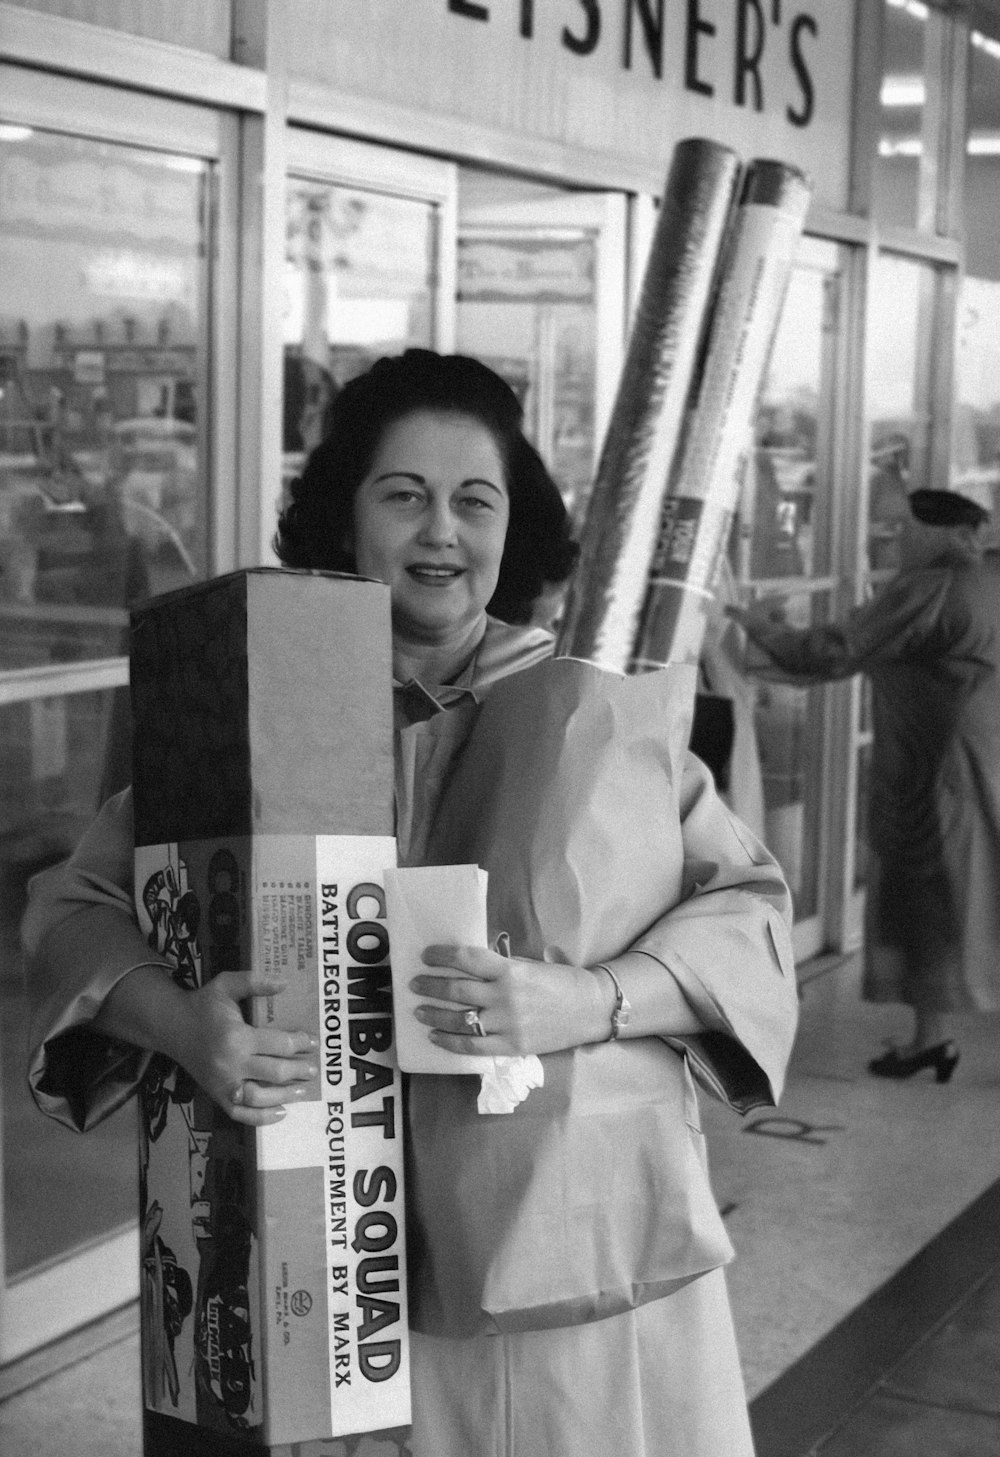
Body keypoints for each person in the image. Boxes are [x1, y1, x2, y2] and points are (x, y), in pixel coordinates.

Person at [24, 349, 798, 1457]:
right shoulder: (252, 709)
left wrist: (585, 999)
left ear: (509, 530)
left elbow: (749, 918)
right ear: (346, 518)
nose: (442, 529)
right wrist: (183, 1023)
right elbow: (74, 910)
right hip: (336, 1263)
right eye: (405, 494)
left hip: (566, 1262)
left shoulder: (589, 721)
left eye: (473, 501)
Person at [730, 482, 1000, 1084]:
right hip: (983, 762)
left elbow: (834, 652)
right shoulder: (987, 579)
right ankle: (930, 1040)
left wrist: (758, 626)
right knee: (964, 904)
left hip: (938, 779)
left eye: (900, 530)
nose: (892, 541)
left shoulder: (932, 589)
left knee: (935, 905)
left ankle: (931, 1038)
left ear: (935, 533)